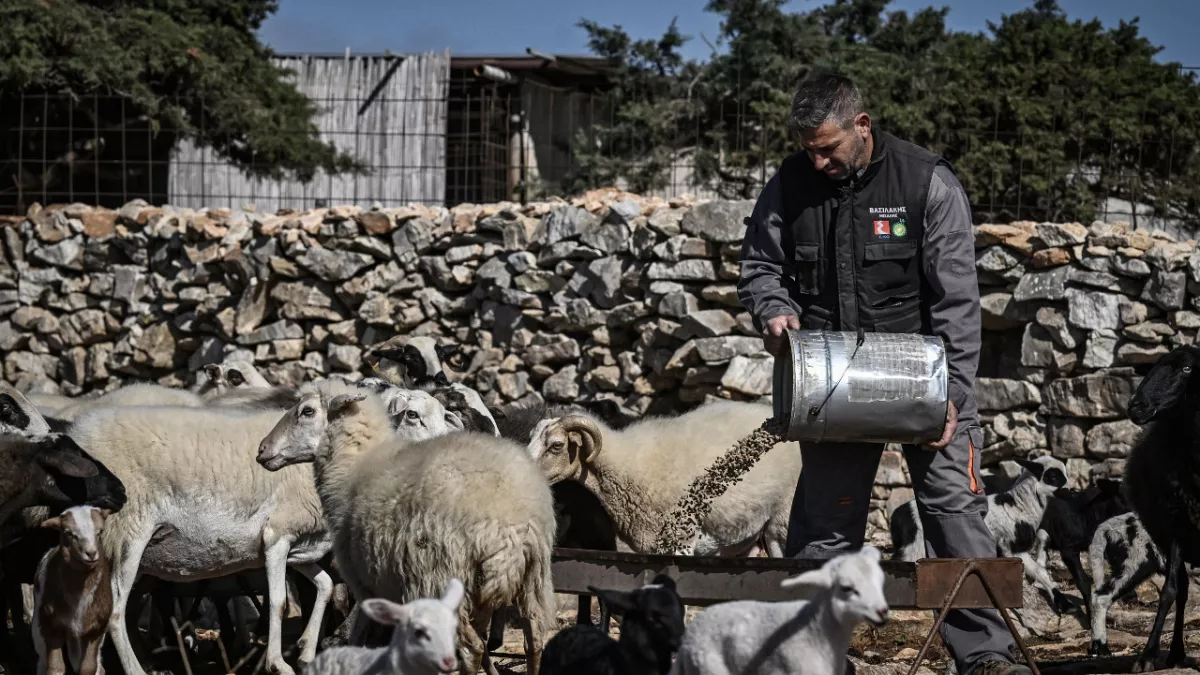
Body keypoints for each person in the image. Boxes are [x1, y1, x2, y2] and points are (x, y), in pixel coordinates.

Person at [736, 71, 1029, 675]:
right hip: (832, 385)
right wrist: (773, 307)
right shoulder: (790, 184)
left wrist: (953, 396)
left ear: (861, 126)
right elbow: (760, 265)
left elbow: (957, 302)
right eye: (807, 149)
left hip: (927, 378)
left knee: (953, 515)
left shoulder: (928, 183)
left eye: (828, 148)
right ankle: (813, 655)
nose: (816, 162)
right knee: (824, 525)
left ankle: (987, 656)